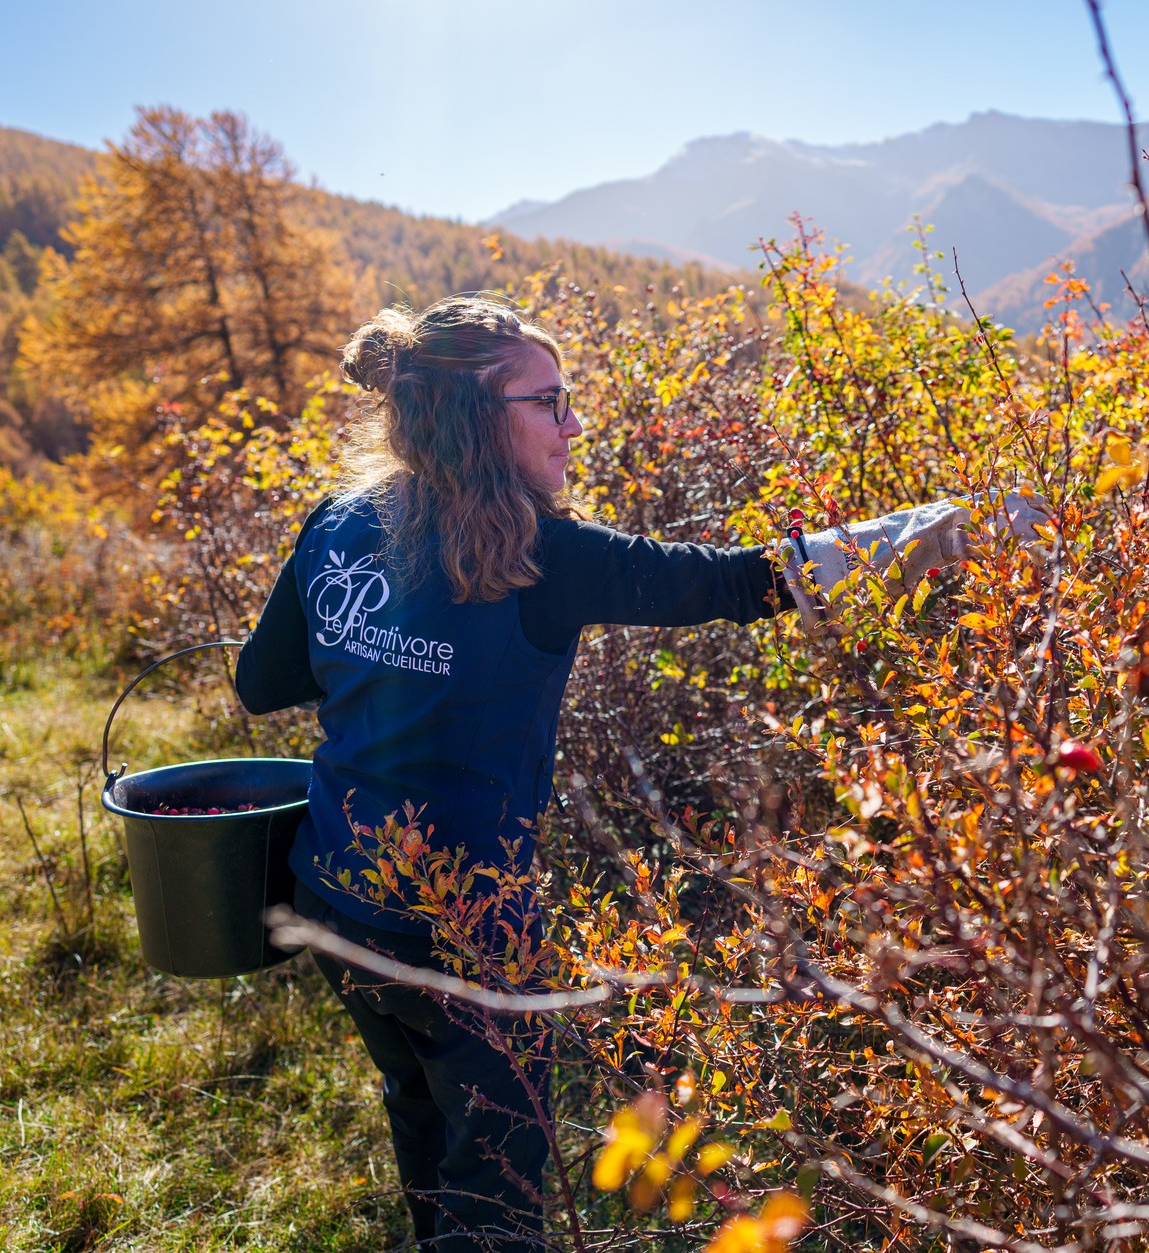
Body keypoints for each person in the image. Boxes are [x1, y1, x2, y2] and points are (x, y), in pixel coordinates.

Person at [233, 294, 1042, 1251]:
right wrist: (933, 531)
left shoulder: (338, 523)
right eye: (551, 401)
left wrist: (367, 650)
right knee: (495, 1178)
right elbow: (738, 581)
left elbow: (262, 681)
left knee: (419, 1106)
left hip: (334, 893)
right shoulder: (545, 556)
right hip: (468, 930)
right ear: (479, 419)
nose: (574, 423)